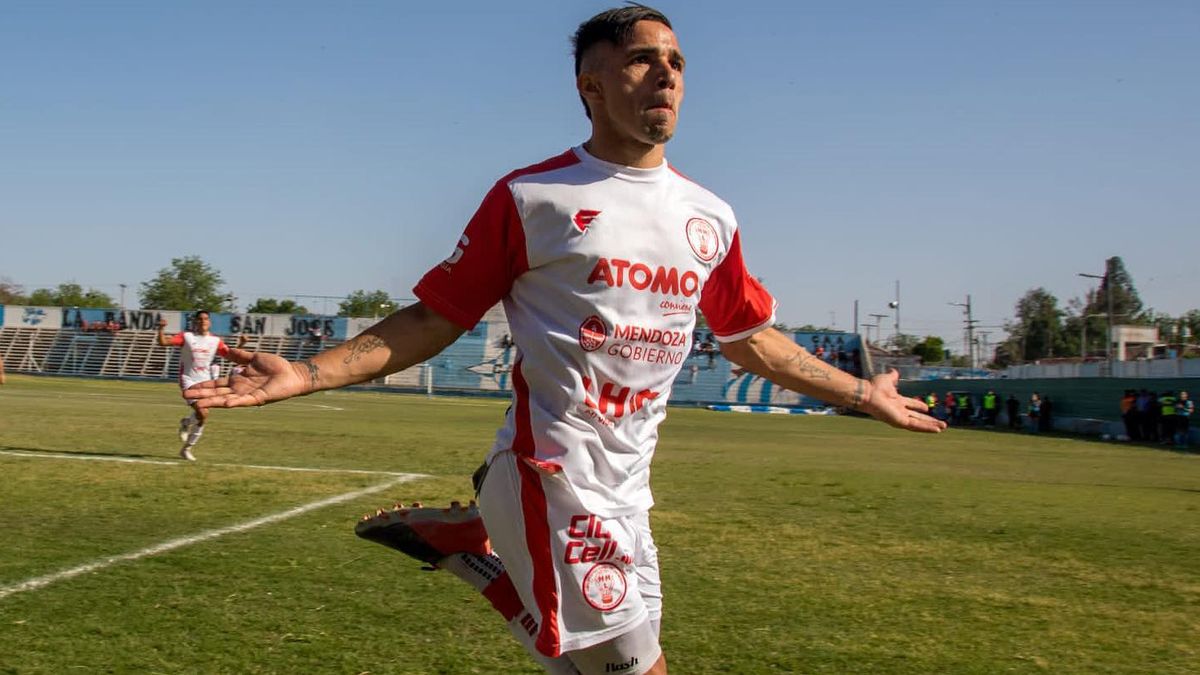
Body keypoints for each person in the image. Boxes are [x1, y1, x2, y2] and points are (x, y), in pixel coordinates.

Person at [184, 6, 945, 674]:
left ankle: (470, 554)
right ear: (592, 85)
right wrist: (308, 373)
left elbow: (750, 340)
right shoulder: (533, 197)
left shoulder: (710, 217)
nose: (667, 75)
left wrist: (860, 391)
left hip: (629, 491)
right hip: (553, 476)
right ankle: (477, 549)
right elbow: (433, 317)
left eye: (677, 61)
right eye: (643, 59)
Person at [157, 311, 247, 461]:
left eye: (205, 319)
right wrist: (160, 329)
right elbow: (163, 342)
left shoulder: (215, 341)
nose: (203, 321)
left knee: (202, 416)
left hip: (206, 381)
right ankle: (187, 434)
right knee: (203, 412)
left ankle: (186, 443)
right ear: (195, 322)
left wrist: (242, 344)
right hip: (188, 380)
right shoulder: (186, 337)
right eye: (200, 319)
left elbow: (231, 355)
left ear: (209, 322)